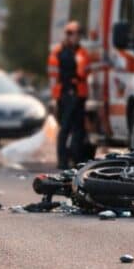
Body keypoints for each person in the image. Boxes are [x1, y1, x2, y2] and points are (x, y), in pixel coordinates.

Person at [48, 21, 90, 169]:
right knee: (65, 127)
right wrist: (55, 98)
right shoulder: (59, 52)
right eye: (72, 33)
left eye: (78, 34)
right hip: (66, 94)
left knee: (79, 128)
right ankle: (62, 160)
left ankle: (76, 158)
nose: (75, 37)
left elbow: (87, 70)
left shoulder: (82, 53)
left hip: (80, 94)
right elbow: (55, 75)